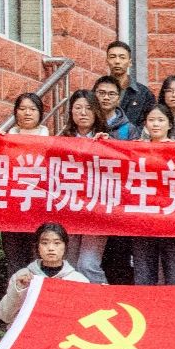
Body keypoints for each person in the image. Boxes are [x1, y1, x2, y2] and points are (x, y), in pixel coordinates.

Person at [131, 106, 175, 285]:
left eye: (161, 120)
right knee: (143, 278)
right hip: (143, 220)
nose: (155, 124)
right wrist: (103, 142)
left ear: (170, 124)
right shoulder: (135, 148)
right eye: (151, 120)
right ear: (145, 124)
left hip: (172, 221)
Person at [58, 90, 110, 284]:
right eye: (78, 108)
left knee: (88, 264)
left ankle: (107, 298)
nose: (83, 113)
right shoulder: (61, 140)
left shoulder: (107, 140)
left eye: (88, 108)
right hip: (69, 208)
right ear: (71, 112)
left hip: (96, 210)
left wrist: (108, 146)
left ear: (96, 111)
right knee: (69, 265)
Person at [0, 222, 89, 322]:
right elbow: (5, 316)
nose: (51, 248)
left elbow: (85, 317)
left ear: (65, 246)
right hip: (29, 329)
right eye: (45, 243)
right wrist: (18, 289)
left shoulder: (78, 280)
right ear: (37, 247)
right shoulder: (23, 276)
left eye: (57, 243)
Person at [0, 93, 48, 279]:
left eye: (32, 109)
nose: (27, 113)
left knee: (38, 259)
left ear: (40, 112)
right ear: (15, 112)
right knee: (14, 259)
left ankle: (37, 296)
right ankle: (15, 296)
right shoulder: (5, 140)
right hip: (11, 209)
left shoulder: (53, 142)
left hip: (38, 209)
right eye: (22, 109)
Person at [106, 40, 156, 128]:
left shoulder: (144, 94)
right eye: (112, 57)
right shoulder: (98, 91)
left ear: (130, 62)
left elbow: (149, 124)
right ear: (107, 61)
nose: (117, 61)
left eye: (122, 57)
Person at [92, 76, 137, 140]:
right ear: (93, 95)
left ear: (119, 99)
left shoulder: (128, 129)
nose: (106, 97)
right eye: (102, 93)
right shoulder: (87, 123)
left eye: (111, 94)